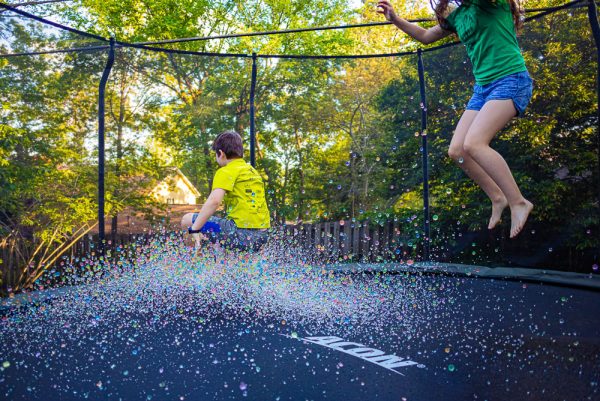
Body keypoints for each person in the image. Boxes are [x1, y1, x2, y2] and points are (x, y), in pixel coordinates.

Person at [377, 0, 533, 238]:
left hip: (511, 79)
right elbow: (426, 36)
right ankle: (497, 197)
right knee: (458, 151)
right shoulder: (458, 15)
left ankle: (519, 201)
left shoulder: (492, 4)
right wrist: (396, 19)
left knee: (475, 143)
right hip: (483, 89)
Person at [181, 130, 270, 251]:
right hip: (262, 236)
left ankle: (192, 258)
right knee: (233, 256)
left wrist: (195, 229)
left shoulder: (226, 171)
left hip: (238, 233)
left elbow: (214, 201)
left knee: (187, 219)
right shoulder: (251, 171)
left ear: (220, 153)